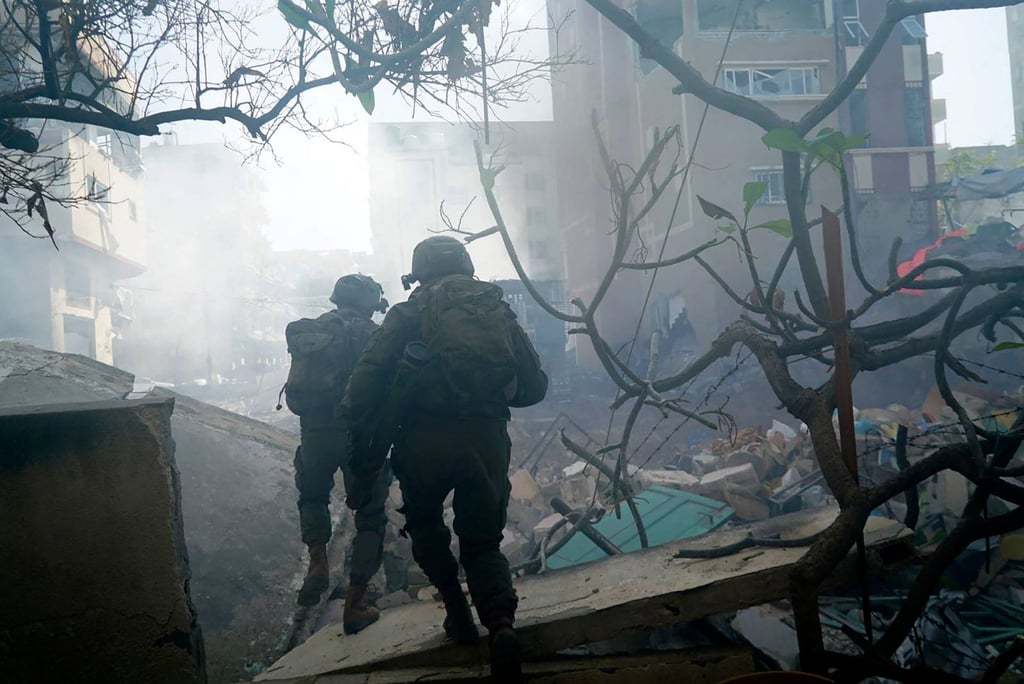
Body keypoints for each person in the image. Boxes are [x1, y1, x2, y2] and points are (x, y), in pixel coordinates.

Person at [342, 236, 548, 683]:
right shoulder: (495, 309)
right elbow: (534, 389)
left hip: (422, 441)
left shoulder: (408, 312)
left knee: (426, 522)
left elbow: (362, 386)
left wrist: (365, 431)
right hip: (486, 440)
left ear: (419, 273)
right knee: (484, 540)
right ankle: (501, 625)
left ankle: (457, 611)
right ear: (467, 266)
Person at [283, 273, 392, 634]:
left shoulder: (314, 332)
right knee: (370, 515)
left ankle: (317, 560)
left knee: (312, 496)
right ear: (369, 302)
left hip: (315, 432)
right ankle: (356, 603)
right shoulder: (375, 335)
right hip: (359, 437)